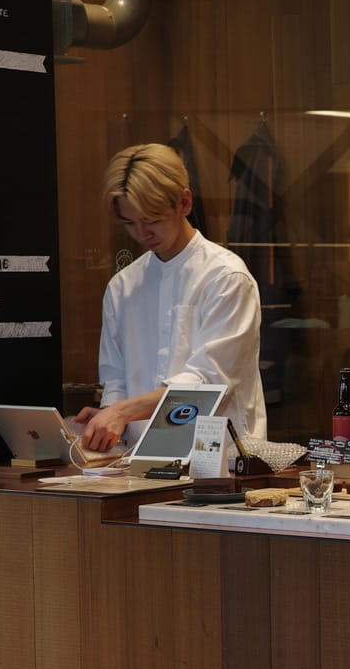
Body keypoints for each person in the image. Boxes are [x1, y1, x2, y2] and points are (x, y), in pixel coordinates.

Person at [77, 144, 265, 450]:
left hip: (219, 462)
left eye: (151, 219)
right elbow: (116, 379)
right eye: (129, 223)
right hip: (136, 462)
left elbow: (208, 382)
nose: (141, 233)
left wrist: (121, 412)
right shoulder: (122, 287)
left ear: (185, 202)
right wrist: (107, 419)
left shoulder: (226, 277)